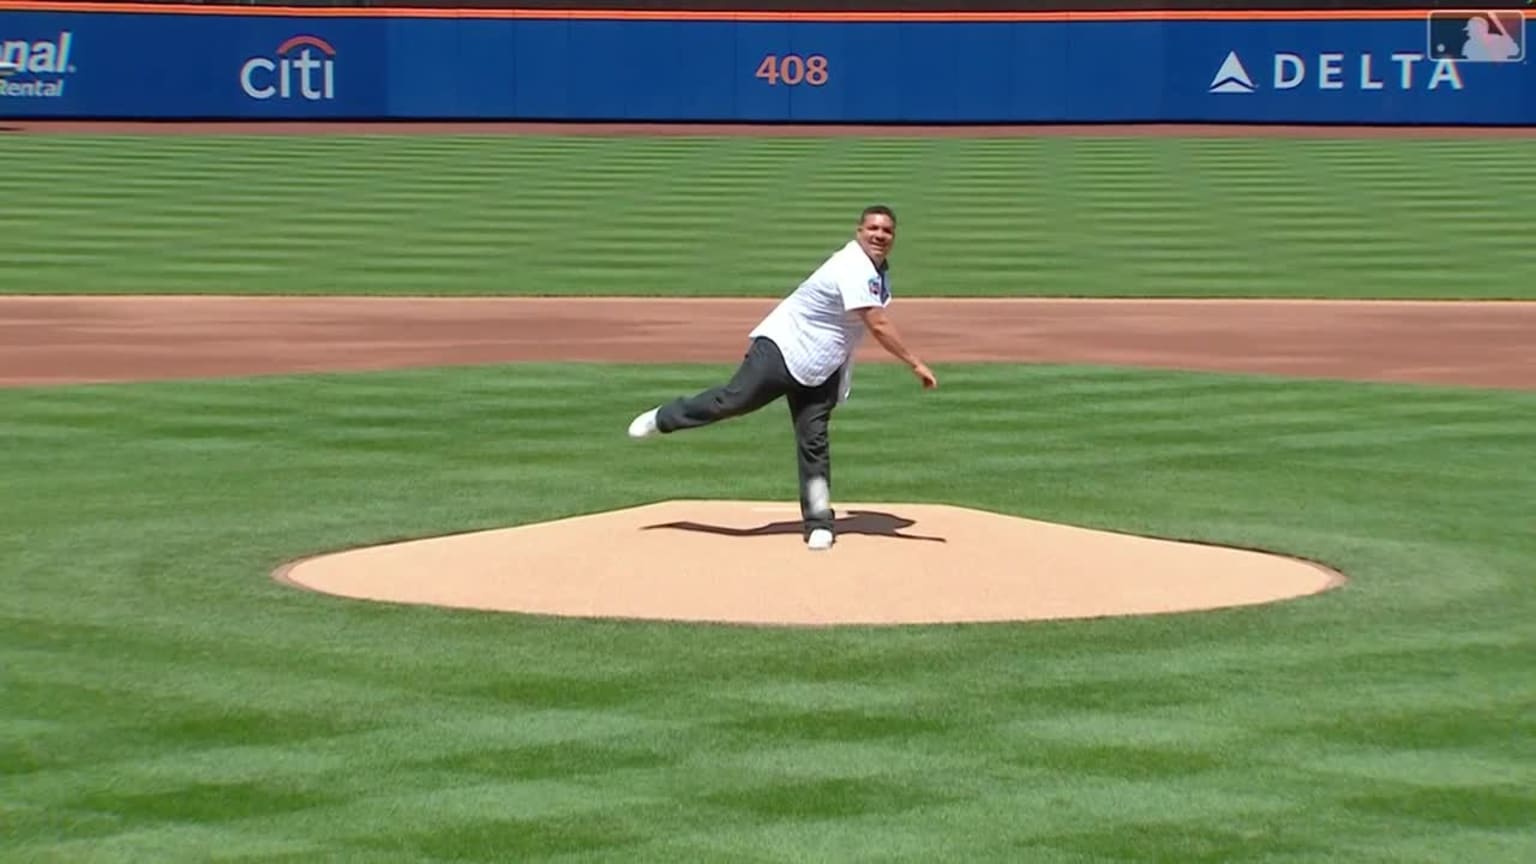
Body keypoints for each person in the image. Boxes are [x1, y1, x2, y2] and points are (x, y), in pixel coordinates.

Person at [626, 204, 937, 551]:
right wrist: (914, 363)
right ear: (859, 231)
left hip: (823, 364)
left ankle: (819, 523)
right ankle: (663, 418)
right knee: (733, 401)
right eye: (873, 229)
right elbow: (876, 323)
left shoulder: (879, 271)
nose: (880, 235)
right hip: (783, 348)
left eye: (887, 231)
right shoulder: (853, 266)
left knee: (814, 441)